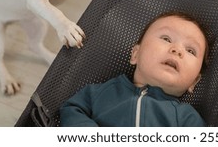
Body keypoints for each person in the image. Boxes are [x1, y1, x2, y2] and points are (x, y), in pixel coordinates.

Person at [59, 11, 209, 126]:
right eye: (166, 39)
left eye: (191, 51)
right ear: (136, 54)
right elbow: (71, 110)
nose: (177, 50)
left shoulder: (187, 119)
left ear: (194, 82)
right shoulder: (99, 93)